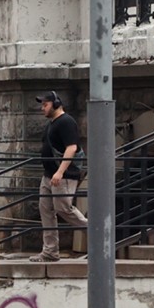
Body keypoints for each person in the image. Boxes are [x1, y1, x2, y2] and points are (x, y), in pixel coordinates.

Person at [35, 91, 87, 263]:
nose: (42, 108)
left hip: (62, 175)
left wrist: (60, 171)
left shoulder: (66, 122)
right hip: (49, 175)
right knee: (46, 210)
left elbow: (71, 147)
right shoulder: (52, 124)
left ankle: (98, 233)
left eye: (45, 104)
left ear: (56, 104)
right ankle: (50, 251)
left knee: (63, 209)